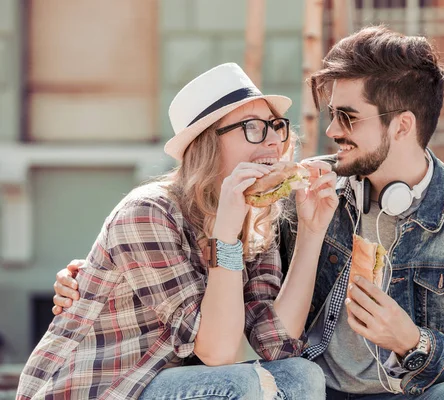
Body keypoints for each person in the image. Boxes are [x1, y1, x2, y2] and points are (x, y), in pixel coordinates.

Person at [54, 26, 444, 399]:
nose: (331, 131)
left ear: (401, 125)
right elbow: (223, 343)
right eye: (330, 114)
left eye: (348, 117)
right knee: (287, 378)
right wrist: (88, 278)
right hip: (291, 385)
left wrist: (410, 341)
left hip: (405, 391)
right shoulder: (296, 193)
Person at [19, 63, 336, 400]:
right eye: (254, 127)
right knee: (236, 385)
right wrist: (225, 237)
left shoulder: (255, 216)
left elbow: (275, 342)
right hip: (95, 389)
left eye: (276, 126)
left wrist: (312, 232)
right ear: (207, 144)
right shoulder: (147, 213)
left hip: (169, 386)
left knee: (301, 376)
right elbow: (219, 352)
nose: (274, 140)